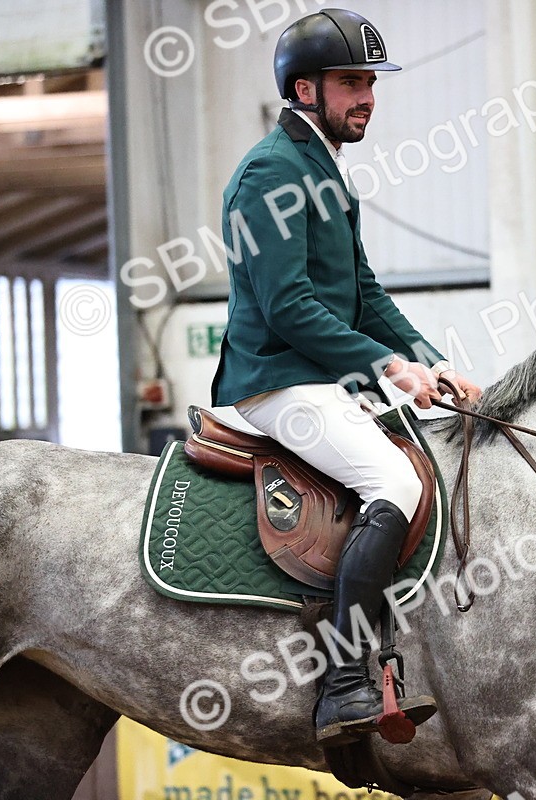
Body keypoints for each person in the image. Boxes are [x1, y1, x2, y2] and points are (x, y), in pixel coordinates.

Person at [211, 9, 482, 746]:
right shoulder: (272, 171)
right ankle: (342, 684)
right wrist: (388, 367)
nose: (367, 96)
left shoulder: (323, 167)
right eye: (351, 82)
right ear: (304, 88)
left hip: (321, 380)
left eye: (370, 82)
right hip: (276, 381)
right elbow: (288, 306)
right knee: (392, 484)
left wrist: (430, 358)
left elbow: (364, 293)